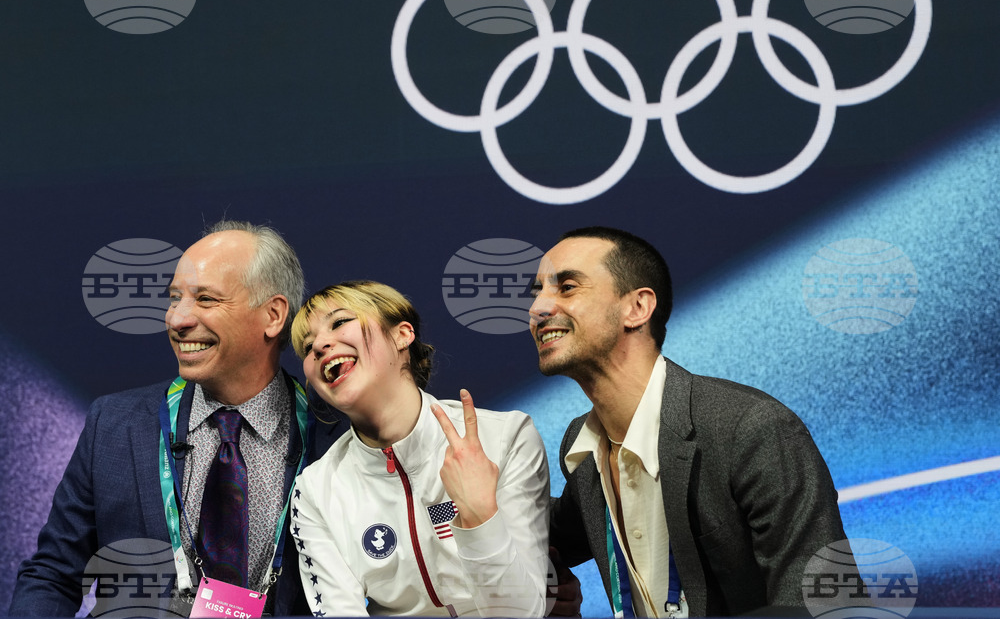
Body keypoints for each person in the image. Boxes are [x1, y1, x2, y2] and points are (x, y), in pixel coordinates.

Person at [9, 221, 343, 617]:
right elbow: (52, 575)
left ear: (273, 316)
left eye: (205, 300)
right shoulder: (114, 425)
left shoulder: (337, 437)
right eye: (174, 299)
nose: (177, 319)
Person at [531, 226, 852, 617]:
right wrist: (454, 500)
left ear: (637, 308)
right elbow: (544, 530)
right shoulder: (580, 447)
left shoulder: (749, 429)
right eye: (538, 292)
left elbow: (823, 605)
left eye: (566, 287)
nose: (538, 309)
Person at [289, 280, 550, 617]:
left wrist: (479, 517)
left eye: (340, 322)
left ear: (402, 335)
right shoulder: (314, 490)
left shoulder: (505, 437)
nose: (321, 345)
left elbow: (521, 613)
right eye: (308, 347)